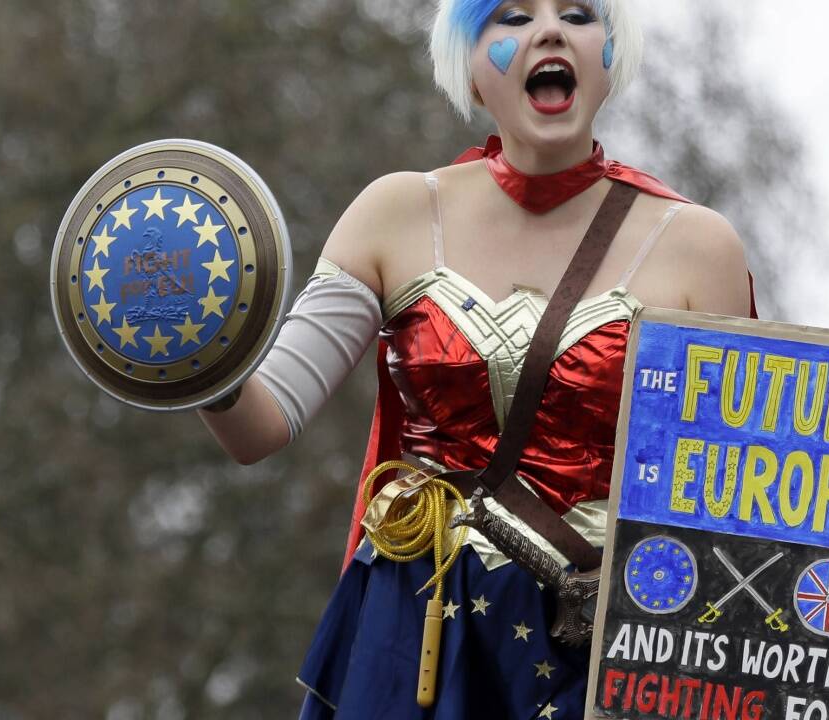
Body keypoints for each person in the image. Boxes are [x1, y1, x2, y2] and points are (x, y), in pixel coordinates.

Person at [199, 1, 753, 717]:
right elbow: (261, 424)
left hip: (590, 656)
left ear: (611, 55)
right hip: (412, 636)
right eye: (512, 16)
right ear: (467, 64)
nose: (549, 30)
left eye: (578, 12)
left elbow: (735, 514)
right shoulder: (394, 213)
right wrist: (198, 357)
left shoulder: (699, 248)